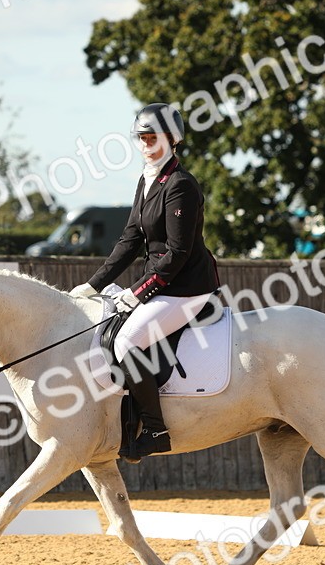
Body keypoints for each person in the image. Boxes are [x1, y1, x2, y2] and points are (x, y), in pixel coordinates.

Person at [69, 103, 220, 460]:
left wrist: (138, 292)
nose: (146, 144)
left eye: (153, 138)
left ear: (172, 140)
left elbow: (178, 252)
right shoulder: (147, 180)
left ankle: (155, 429)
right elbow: (131, 240)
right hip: (162, 284)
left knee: (127, 341)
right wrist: (92, 285)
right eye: (141, 138)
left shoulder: (181, 185)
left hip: (188, 288)